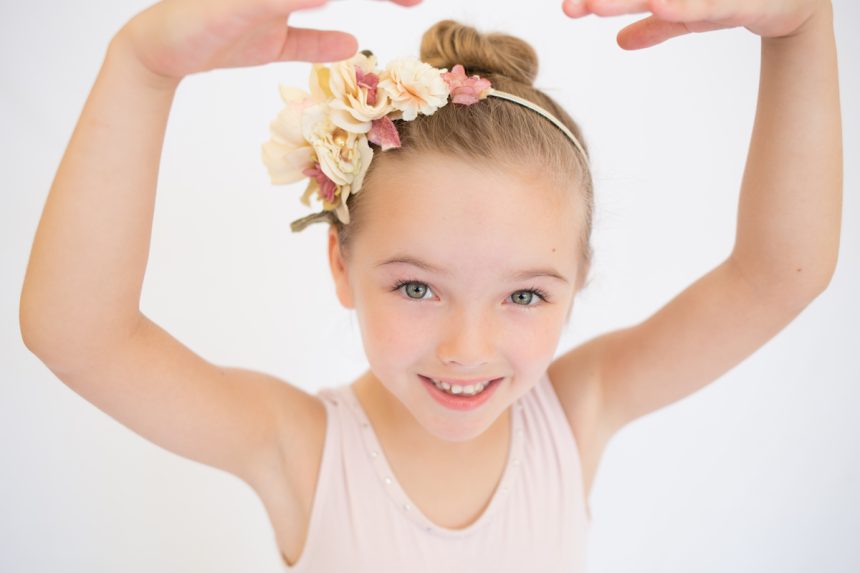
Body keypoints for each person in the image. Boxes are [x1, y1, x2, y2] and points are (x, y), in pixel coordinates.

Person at [18, 0, 842, 570]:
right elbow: (79, 336)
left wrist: (803, 27)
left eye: (525, 295)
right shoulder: (303, 452)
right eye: (417, 287)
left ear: (577, 283)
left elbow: (778, 274)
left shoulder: (571, 417)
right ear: (341, 265)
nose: (466, 348)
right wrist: (142, 69)